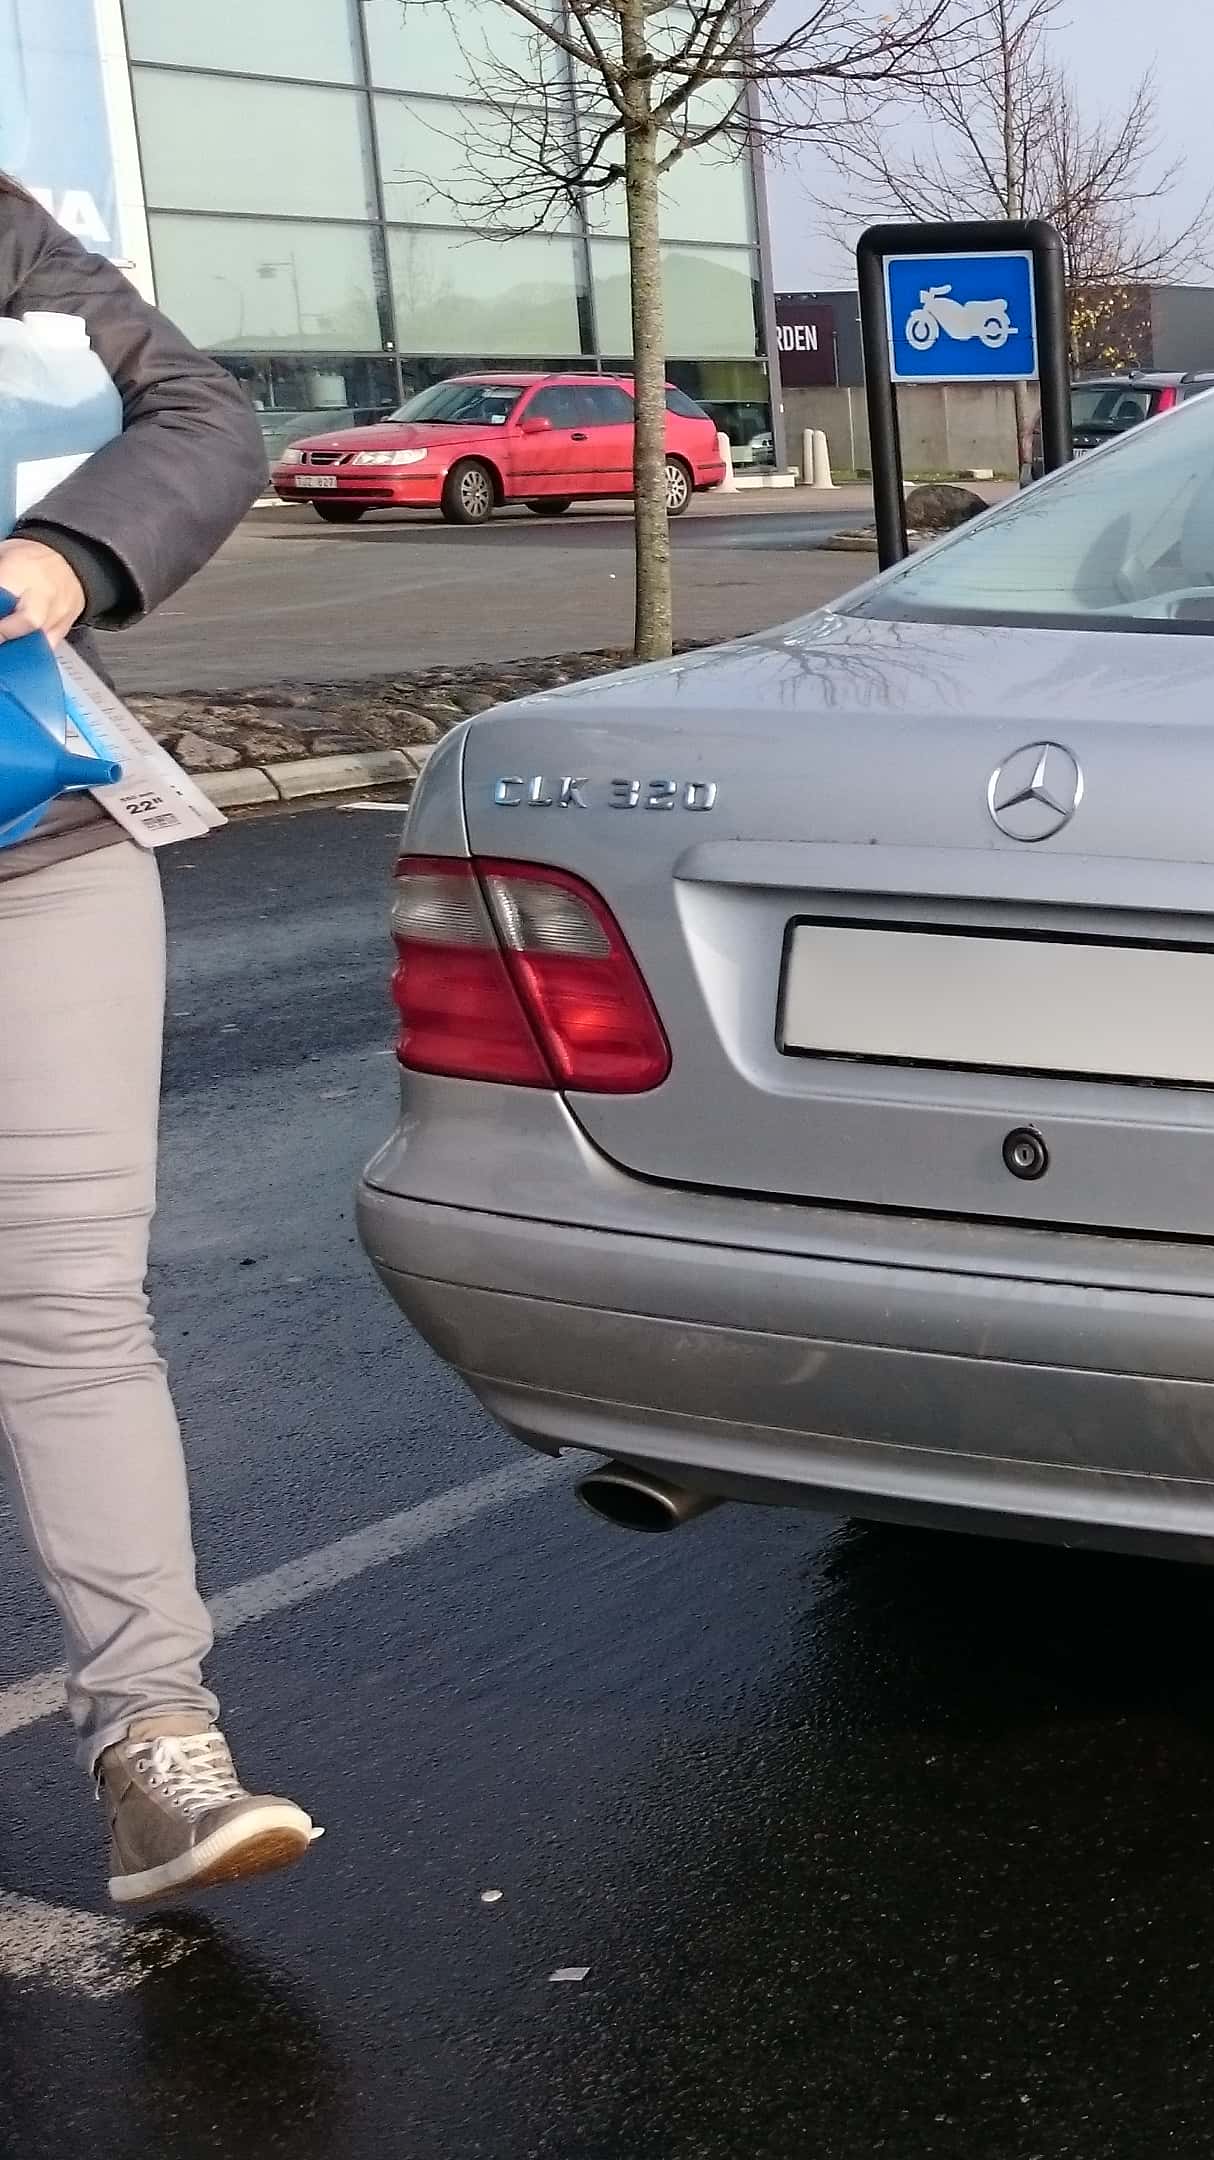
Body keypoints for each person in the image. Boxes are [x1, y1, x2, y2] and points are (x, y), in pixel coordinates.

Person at [0, 174, 306, 1904]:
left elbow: (194, 406)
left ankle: (155, 1746)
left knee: (69, 1308)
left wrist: (64, 548)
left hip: (34, 829)